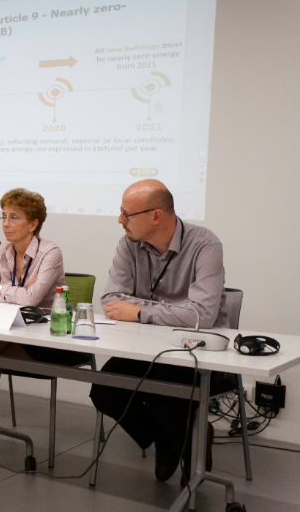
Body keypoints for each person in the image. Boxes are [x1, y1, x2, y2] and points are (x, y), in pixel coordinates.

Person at [89, 179, 228, 483]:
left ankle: (180, 443)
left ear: (156, 216)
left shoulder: (205, 245)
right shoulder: (128, 244)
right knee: (103, 390)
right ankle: (172, 440)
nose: (120, 220)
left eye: (127, 213)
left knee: (165, 393)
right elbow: (111, 300)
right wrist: (173, 311)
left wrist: (140, 311)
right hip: (144, 346)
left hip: (194, 350)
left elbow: (202, 315)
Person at [0, 188, 87, 459]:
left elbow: (33, 299)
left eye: (14, 217)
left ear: (33, 224)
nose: (6, 224)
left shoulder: (50, 252)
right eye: (3, 217)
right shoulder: (2, 252)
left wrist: (1, 289)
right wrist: (11, 291)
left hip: (48, 340)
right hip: (15, 331)